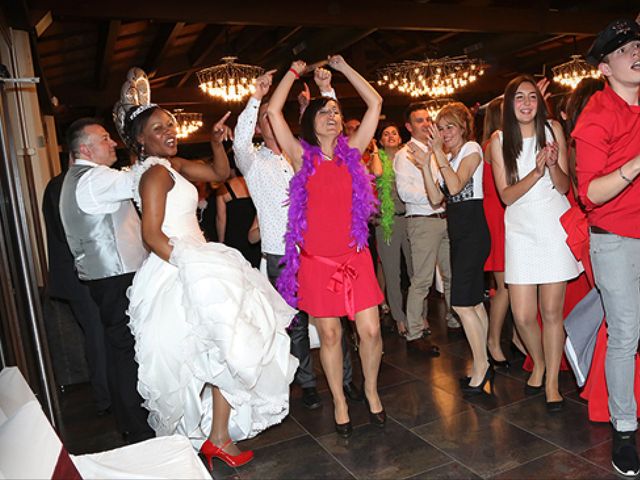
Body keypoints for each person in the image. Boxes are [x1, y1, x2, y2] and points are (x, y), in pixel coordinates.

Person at [114, 68, 298, 470]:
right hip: (179, 267)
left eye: (172, 124)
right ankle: (206, 439)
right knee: (215, 349)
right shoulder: (155, 174)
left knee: (224, 347)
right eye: (159, 127)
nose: (170, 131)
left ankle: (217, 437)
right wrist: (191, 267)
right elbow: (151, 234)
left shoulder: (173, 164)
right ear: (140, 139)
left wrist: (217, 142)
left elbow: (219, 174)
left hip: (198, 262)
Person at [267, 55, 384, 437]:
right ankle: (339, 400)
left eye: (335, 111)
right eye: (324, 112)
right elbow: (272, 109)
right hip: (318, 263)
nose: (332, 116)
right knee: (329, 336)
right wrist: (291, 72)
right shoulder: (302, 156)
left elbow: (376, 104)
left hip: (356, 257)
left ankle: (369, 388)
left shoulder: (354, 151)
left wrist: (346, 69)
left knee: (370, 331)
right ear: (310, 122)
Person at [233, 67, 363, 411]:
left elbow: (333, 138)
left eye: (272, 119)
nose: (270, 123)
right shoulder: (252, 163)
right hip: (281, 255)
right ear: (261, 128)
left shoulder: (303, 155)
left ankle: (347, 382)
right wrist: (256, 99)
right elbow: (239, 140)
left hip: (320, 252)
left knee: (338, 323)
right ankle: (307, 383)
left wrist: (326, 90)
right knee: (297, 327)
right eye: (264, 121)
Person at [490, 75, 582, 412]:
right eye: (519, 98)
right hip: (520, 229)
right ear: (509, 104)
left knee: (551, 311)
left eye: (532, 97)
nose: (527, 103)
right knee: (524, 314)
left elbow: (564, 187)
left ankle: (553, 384)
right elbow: (506, 196)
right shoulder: (499, 140)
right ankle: (539, 362)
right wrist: (536, 170)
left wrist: (554, 164)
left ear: (539, 103)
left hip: (553, 225)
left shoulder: (553, 129)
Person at [59, 118, 154, 444]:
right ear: (85, 148)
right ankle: (139, 427)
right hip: (117, 275)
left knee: (118, 349)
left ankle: (129, 422)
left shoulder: (75, 180)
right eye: (104, 139)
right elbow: (144, 180)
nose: (112, 142)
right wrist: (147, 145)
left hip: (103, 277)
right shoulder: (97, 178)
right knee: (127, 351)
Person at [573, 18, 640, 477]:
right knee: (625, 335)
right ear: (604, 66)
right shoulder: (597, 115)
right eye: (623, 48)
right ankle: (625, 429)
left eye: (638, 43)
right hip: (615, 241)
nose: (636, 50)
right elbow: (589, 194)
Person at [410, 102, 492, 393]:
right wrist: (424, 167)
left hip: (472, 231)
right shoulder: (448, 158)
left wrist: (436, 156)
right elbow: (436, 198)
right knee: (473, 303)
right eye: (440, 128)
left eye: (450, 127)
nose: (445, 133)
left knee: (459, 303)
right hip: (459, 234)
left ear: (463, 128)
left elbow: (456, 188)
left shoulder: (471, 149)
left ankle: (481, 366)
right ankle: (485, 362)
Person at [43, 169, 110, 416]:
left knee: (99, 336)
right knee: (97, 336)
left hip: (84, 275)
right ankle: (106, 400)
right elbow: (68, 232)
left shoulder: (67, 183)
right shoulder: (62, 185)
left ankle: (108, 395)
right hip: (78, 277)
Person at [394, 102, 456, 349]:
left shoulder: (437, 149)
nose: (426, 124)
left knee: (451, 275)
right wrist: (436, 194)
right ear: (409, 126)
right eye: (419, 120)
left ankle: (453, 319)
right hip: (422, 222)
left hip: (444, 218)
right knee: (422, 280)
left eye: (428, 119)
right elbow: (405, 193)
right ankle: (415, 332)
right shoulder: (404, 155)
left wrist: (439, 193)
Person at [374, 122, 412, 336]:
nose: (390, 136)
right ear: (380, 140)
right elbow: (378, 174)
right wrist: (376, 155)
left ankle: (419, 316)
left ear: (400, 137)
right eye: (386, 134)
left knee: (416, 270)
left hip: (409, 218)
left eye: (394, 133)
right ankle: (399, 317)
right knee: (392, 272)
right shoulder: (377, 158)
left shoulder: (408, 156)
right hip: (386, 222)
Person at [216, 172, 261, 268]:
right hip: (255, 238)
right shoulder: (256, 182)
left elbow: (221, 218)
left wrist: (221, 241)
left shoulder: (223, 188)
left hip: (234, 238)